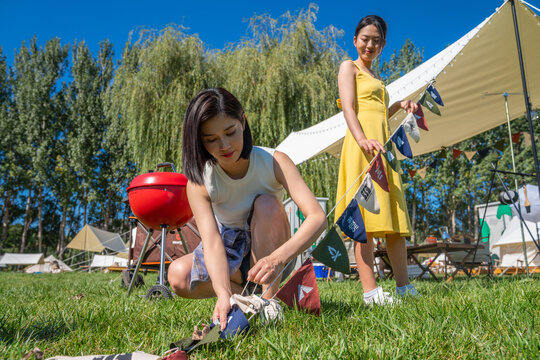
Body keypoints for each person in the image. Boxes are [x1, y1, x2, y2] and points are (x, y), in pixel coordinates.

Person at [168, 88, 326, 330]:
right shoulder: (200, 181)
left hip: (272, 254)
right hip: (229, 256)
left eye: (230, 132)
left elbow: (317, 217)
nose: (224, 145)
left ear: (243, 120)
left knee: (267, 203)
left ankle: (269, 301)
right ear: (199, 141)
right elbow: (211, 242)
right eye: (211, 139)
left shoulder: (275, 161)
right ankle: (243, 297)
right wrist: (222, 294)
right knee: (177, 275)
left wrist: (277, 259)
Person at [335, 15, 419, 305]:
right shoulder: (350, 67)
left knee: (394, 218)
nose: (370, 45)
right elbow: (349, 109)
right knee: (366, 221)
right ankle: (370, 292)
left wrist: (399, 105)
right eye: (365, 39)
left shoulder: (377, 79)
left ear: (382, 45)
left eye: (376, 41)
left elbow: (380, 114)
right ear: (356, 39)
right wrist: (361, 140)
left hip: (383, 149)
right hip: (362, 148)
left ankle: (404, 288)